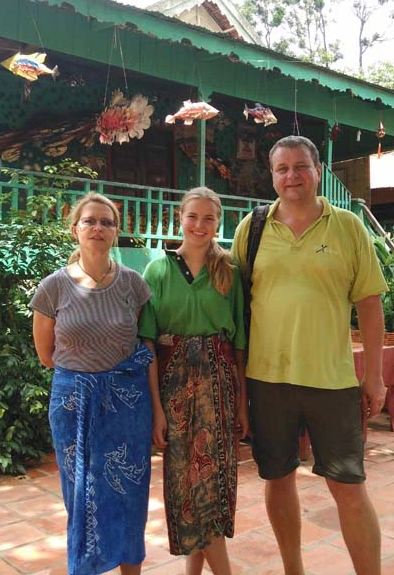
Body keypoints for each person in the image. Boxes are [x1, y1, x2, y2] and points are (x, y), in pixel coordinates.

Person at [231, 136, 389, 575]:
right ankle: (293, 570)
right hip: (267, 379)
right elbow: (231, 297)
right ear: (272, 175)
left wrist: (373, 377)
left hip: (331, 380)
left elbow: (370, 304)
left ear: (318, 170)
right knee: (277, 478)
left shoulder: (348, 227)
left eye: (301, 167)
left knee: (349, 486)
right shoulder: (254, 227)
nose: (291, 176)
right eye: (282, 169)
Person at [30, 192, 153, 575]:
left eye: (107, 222)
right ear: (75, 229)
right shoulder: (53, 287)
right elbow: (46, 355)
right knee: (81, 495)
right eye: (90, 221)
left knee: (129, 493)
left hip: (128, 406)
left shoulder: (134, 284)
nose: (98, 228)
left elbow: (144, 344)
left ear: (117, 232)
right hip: (74, 404)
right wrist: (87, 376)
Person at [139, 187, 249, 575]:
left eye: (209, 218)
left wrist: (242, 403)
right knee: (186, 487)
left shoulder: (230, 272)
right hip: (174, 388)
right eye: (193, 216)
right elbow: (147, 346)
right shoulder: (158, 270)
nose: (200, 225)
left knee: (213, 489)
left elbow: (239, 346)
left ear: (218, 222)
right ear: (179, 217)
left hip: (218, 385)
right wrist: (156, 410)